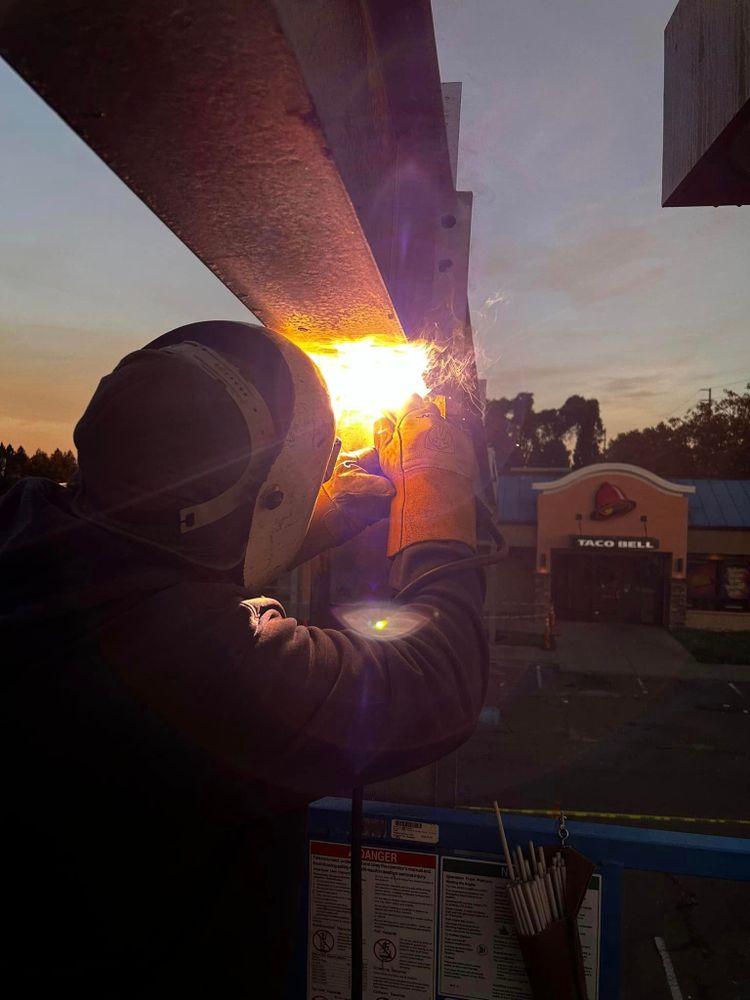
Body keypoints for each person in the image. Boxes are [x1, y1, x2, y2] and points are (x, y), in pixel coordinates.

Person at [0, 320, 488, 996]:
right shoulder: (199, 667)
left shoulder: (23, 520)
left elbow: (139, 552)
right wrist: (437, 509)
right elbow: (437, 682)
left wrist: (305, 514)